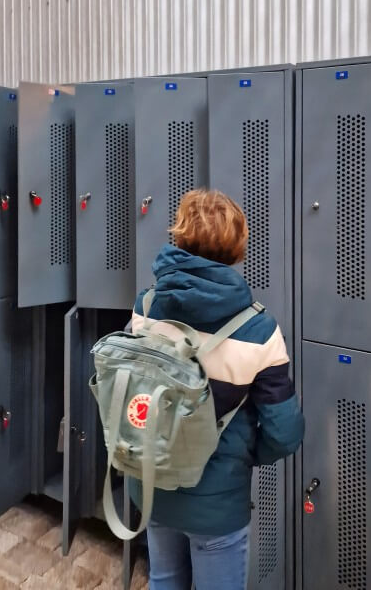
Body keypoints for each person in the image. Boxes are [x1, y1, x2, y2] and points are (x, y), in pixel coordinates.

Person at [130, 189, 305, 590]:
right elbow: (284, 432)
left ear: (181, 234)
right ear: (236, 245)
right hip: (218, 503)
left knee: (163, 580)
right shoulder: (259, 331)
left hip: (153, 481)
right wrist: (240, 457)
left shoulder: (147, 306)